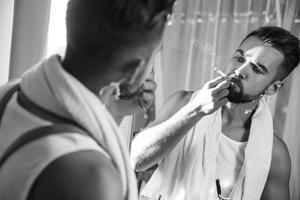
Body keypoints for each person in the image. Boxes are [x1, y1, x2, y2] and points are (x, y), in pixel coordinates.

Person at [0, 0, 178, 200]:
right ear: (136, 69)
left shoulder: (11, 93)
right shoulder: (91, 176)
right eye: (155, 54)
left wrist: (113, 112)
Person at [131, 26, 300, 200]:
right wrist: (195, 111)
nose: (240, 71)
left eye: (257, 69)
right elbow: (137, 160)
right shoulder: (183, 103)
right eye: (239, 58)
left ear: (273, 88)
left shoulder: (274, 152)